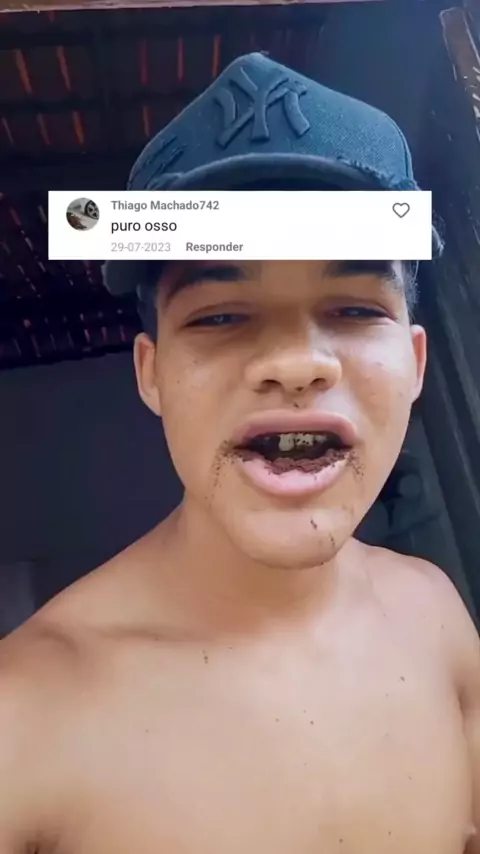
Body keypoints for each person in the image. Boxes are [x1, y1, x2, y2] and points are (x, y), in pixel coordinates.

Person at [0, 53, 479, 854]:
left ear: (417, 362)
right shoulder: (26, 717)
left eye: (354, 308)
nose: (295, 361)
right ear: (151, 374)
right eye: (220, 316)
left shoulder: (435, 615)